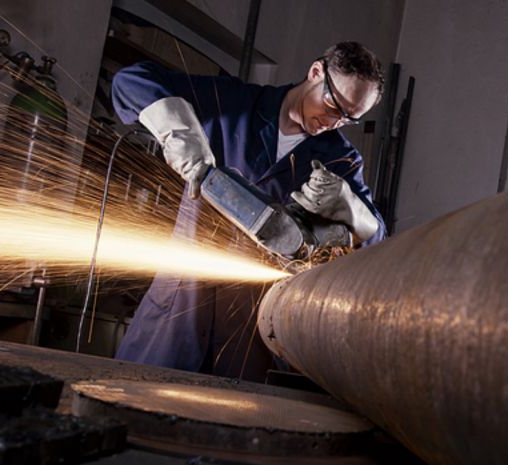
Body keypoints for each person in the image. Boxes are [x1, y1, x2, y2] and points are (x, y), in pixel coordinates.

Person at [110, 42, 387, 380]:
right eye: (333, 105)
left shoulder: (340, 160)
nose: (334, 122)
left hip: (248, 332)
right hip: (176, 308)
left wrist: (355, 209)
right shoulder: (232, 103)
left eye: (350, 118)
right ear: (316, 73)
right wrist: (176, 128)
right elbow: (131, 81)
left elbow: (379, 245)